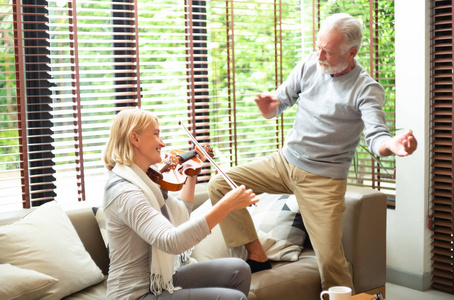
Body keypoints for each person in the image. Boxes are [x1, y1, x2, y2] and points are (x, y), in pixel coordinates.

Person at [208, 13, 417, 292]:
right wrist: (269, 108)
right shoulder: (310, 63)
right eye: (318, 46)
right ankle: (256, 253)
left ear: (351, 53)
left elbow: (377, 136)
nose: (319, 55)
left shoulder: (366, 89)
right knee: (221, 184)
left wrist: (393, 145)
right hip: (284, 161)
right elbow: (278, 103)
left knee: (331, 260)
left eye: (328, 51)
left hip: (323, 180)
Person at [102, 107, 258, 300]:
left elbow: (182, 214)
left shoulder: (147, 181)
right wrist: (226, 205)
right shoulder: (125, 192)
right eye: (156, 134)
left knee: (239, 269)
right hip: (136, 293)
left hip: (160, 281)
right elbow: (172, 241)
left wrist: (192, 173)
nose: (163, 142)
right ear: (135, 139)